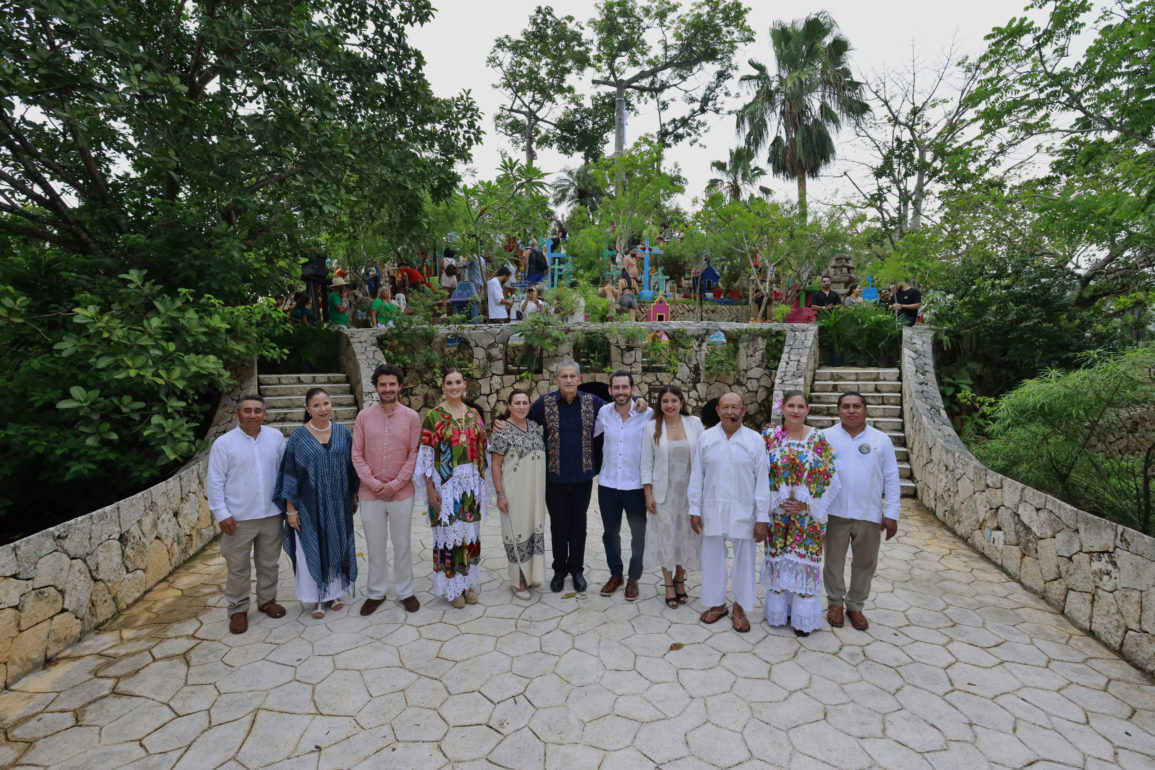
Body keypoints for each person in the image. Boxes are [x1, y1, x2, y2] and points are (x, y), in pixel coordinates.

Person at [689, 392, 771, 633]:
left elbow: (762, 482)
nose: (730, 412)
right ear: (717, 411)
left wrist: (762, 518)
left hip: (745, 510)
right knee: (712, 557)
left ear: (743, 411)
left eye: (735, 407)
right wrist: (695, 509)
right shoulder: (706, 438)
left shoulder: (755, 440)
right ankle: (716, 604)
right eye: (725, 407)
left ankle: (740, 607)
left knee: (745, 561)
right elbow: (697, 476)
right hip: (712, 508)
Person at [761, 391, 841, 637]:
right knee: (780, 560)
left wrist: (808, 505)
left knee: (804, 563)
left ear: (808, 410)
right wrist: (775, 501)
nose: (795, 411)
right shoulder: (770, 437)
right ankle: (780, 611)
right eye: (790, 405)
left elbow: (830, 475)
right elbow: (759, 471)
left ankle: (803, 618)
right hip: (778, 515)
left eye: (800, 406)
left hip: (807, 518)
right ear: (782, 408)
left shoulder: (818, 438)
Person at [275, 387, 360, 619]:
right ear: (307, 409)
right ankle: (316, 599)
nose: (323, 409)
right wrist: (291, 510)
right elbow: (290, 475)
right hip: (309, 506)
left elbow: (350, 469)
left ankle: (334, 593)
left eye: (326, 403)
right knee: (311, 548)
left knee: (336, 544)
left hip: (337, 504)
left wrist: (353, 496)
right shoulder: (298, 438)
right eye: (316, 405)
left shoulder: (343, 433)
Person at [206, 395, 287, 635]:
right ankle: (238, 609)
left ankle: (267, 601)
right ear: (237, 414)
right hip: (238, 518)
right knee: (238, 567)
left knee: (269, 563)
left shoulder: (275, 438)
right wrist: (222, 514)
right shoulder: (224, 443)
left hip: (271, 514)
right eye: (247, 410)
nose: (253, 415)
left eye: (258, 410)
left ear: (265, 414)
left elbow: (284, 472)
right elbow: (215, 481)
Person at [822, 392, 901, 631]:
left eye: (857, 406)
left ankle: (855, 606)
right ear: (839, 411)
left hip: (869, 513)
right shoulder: (826, 437)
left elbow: (891, 477)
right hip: (835, 512)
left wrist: (892, 513)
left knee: (865, 563)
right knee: (833, 561)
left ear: (865, 410)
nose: (851, 410)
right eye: (846, 406)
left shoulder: (881, 440)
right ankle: (835, 603)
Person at [351, 364, 421, 616]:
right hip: (370, 494)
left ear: (400, 386)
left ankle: (405, 591)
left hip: (402, 493)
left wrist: (393, 485)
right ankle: (376, 592)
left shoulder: (412, 417)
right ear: (376, 387)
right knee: (375, 545)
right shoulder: (363, 417)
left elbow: (413, 455)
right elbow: (356, 453)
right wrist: (374, 484)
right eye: (383, 384)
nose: (388, 389)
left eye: (392, 384)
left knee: (402, 544)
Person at [416, 369, 488, 608]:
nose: (454, 386)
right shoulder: (434, 417)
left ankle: (467, 584)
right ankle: (453, 588)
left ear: (464, 384)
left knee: (468, 536)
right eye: (449, 383)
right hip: (445, 487)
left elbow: (482, 447)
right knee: (448, 537)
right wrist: (430, 489)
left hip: (471, 487)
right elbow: (426, 456)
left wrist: (482, 482)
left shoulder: (474, 414)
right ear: (443, 386)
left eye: (458, 382)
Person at [641, 385, 704, 608]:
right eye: (665, 401)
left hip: (690, 493)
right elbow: (646, 463)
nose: (670, 405)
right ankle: (668, 584)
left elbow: (705, 456)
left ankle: (680, 580)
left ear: (682, 402)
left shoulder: (694, 424)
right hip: (663, 494)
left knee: (686, 536)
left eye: (674, 400)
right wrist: (648, 494)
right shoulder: (651, 427)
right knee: (666, 537)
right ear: (660, 404)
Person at [595, 370, 653, 601]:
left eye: (624, 387)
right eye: (616, 387)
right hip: (608, 484)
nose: (620, 391)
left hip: (636, 486)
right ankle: (616, 574)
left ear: (633, 389)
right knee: (610, 533)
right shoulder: (603, 413)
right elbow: (587, 433)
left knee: (639, 534)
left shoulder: (647, 414)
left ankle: (633, 578)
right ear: (610, 391)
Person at [489, 389, 547, 600]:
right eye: (517, 403)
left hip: (535, 493)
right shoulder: (502, 432)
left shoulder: (534, 427)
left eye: (525, 402)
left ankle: (532, 575)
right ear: (509, 406)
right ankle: (517, 581)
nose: (521, 406)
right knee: (516, 534)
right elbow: (495, 465)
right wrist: (500, 494)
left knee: (533, 530)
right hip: (514, 493)